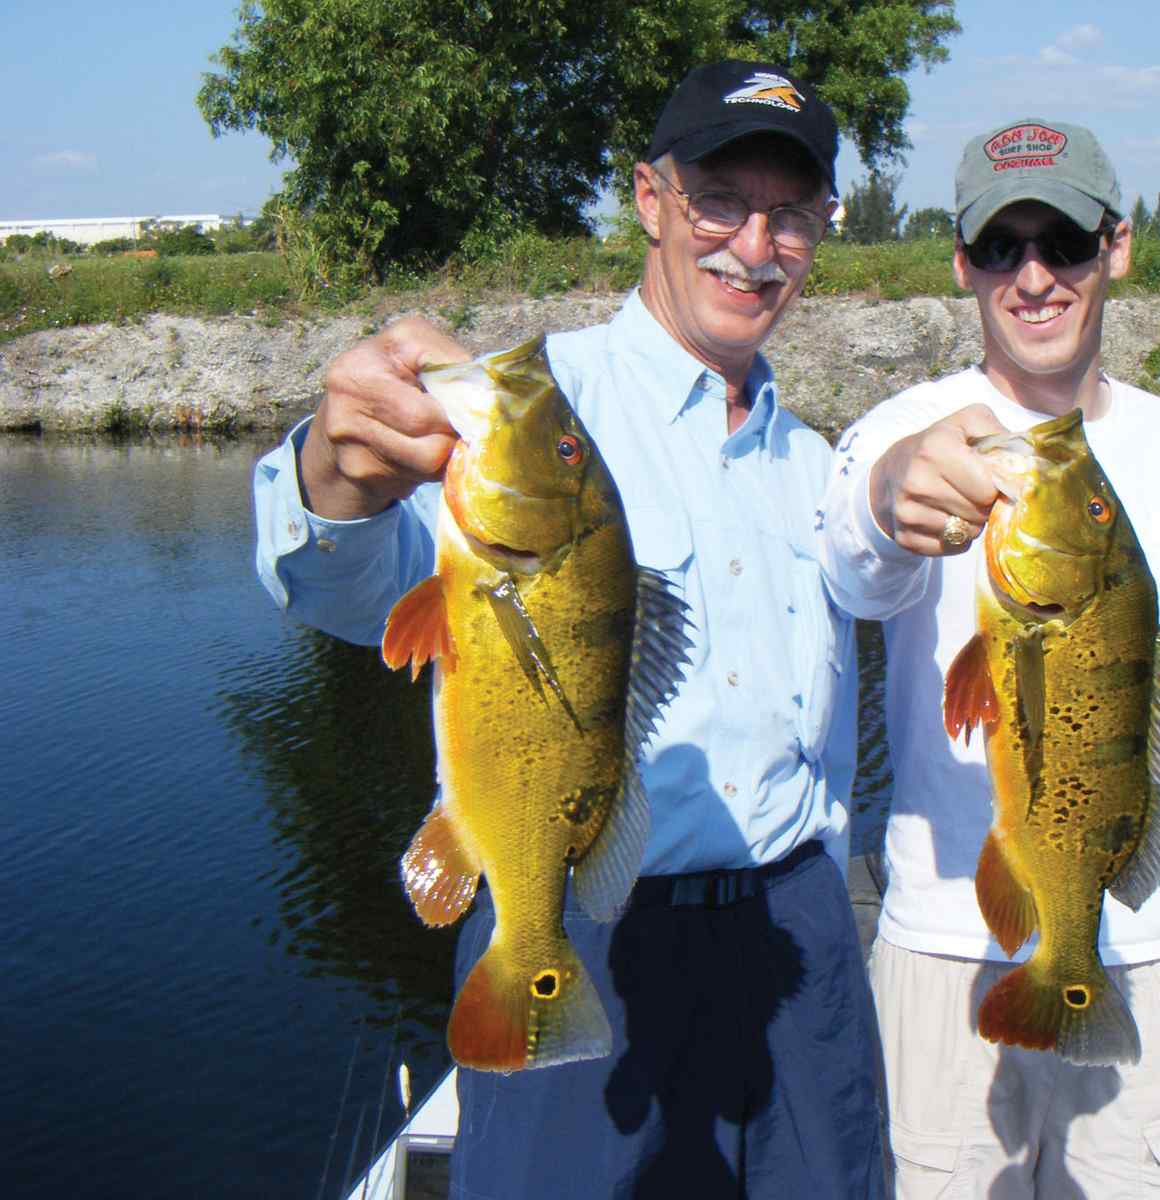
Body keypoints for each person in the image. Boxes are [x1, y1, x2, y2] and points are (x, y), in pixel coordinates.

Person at [252, 61, 884, 1199]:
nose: (755, 245)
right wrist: (334, 477)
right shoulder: (534, 404)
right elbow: (345, 587)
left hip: (799, 940)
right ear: (650, 199)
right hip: (591, 920)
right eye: (719, 201)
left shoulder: (817, 462)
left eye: (791, 214)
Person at [817, 119, 1160, 1198]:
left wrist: (1148, 858)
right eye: (1002, 247)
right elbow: (853, 570)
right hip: (945, 939)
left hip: (1142, 942)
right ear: (963, 264)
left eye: (1065, 243)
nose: (1034, 276)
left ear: (1117, 247)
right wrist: (889, 498)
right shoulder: (906, 430)